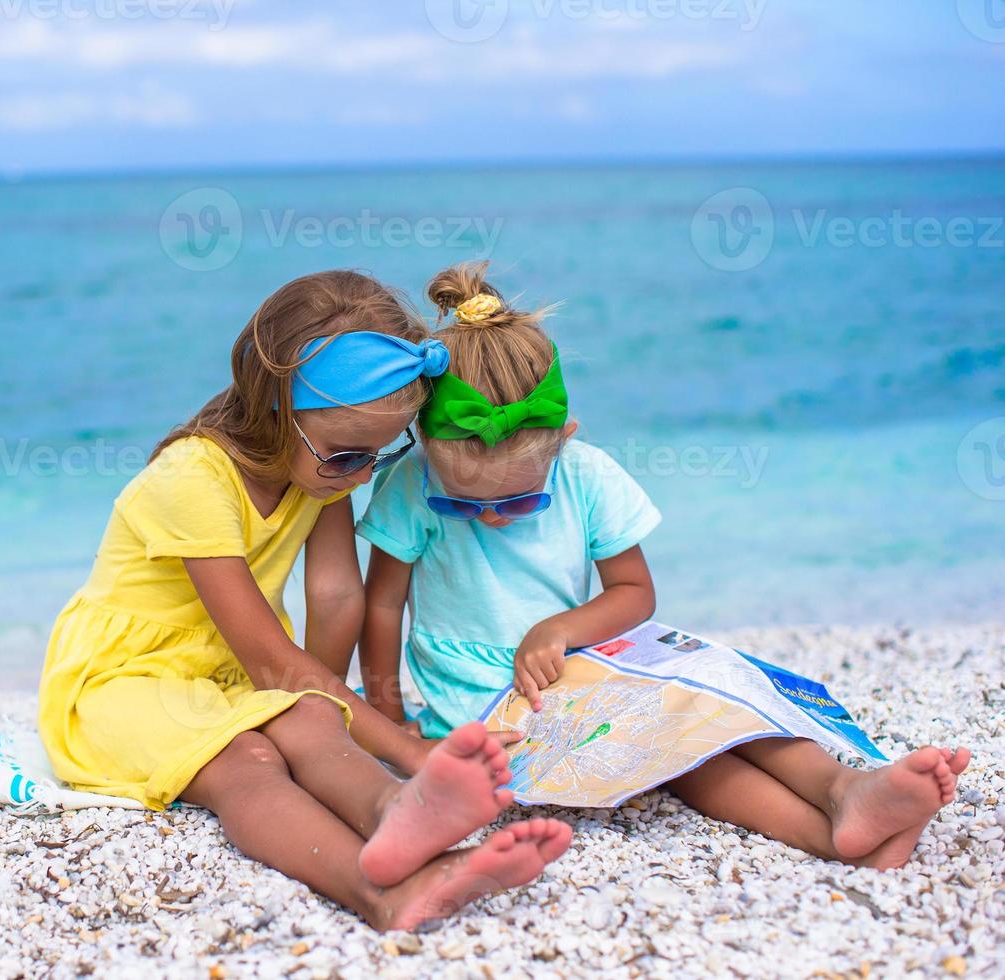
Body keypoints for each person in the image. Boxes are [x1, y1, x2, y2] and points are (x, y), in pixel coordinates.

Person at [357, 262, 969, 869]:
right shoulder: (411, 485)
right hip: (486, 704)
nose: (490, 518)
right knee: (680, 754)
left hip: (580, 661)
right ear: (428, 453)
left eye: (519, 501)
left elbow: (632, 592)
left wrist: (559, 630)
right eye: (463, 503)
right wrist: (394, 724)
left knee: (714, 706)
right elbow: (382, 604)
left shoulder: (586, 475)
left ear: (564, 438)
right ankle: (829, 835)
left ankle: (844, 790)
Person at [38, 270, 571, 931]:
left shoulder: (320, 468)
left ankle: (397, 818)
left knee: (311, 720)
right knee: (248, 760)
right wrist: (406, 748)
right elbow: (272, 664)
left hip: (228, 676)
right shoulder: (193, 479)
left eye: (376, 460)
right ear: (275, 408)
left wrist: (321, 711)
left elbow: (336, 594)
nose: (357, 476)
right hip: (119, 684)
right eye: (348, 458)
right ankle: (378, 893)